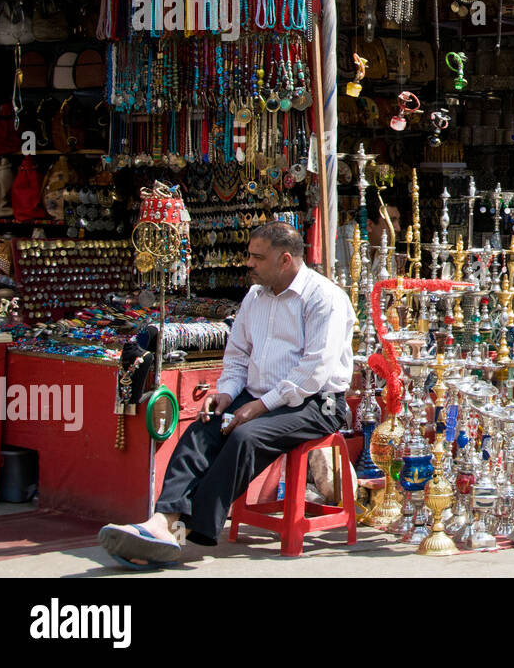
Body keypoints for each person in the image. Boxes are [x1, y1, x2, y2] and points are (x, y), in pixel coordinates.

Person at [97, 222, 356, 568]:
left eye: (257, 257)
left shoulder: (325, 299)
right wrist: (226, 393)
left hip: (316, 402)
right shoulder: (255, 297)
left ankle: (182, 531)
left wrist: (259, 407)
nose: (248, 263)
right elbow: (236, 355)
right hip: (259, 394)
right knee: (203, 428)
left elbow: (314, 372)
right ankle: (163, 521)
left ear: (284, 260)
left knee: (245, 437)